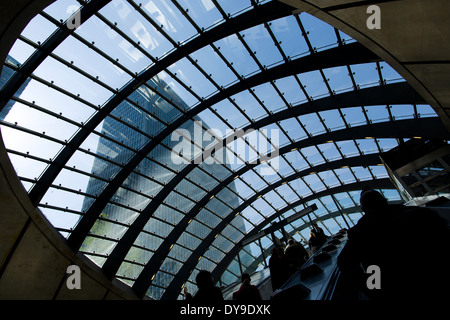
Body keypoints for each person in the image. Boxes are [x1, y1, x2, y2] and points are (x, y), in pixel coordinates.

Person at [337, 188, 450, 300]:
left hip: (394, 290)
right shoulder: (420, 214)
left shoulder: (359, 233)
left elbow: (345, 263)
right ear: (385, 201)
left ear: (364, 209)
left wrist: (374, 288)